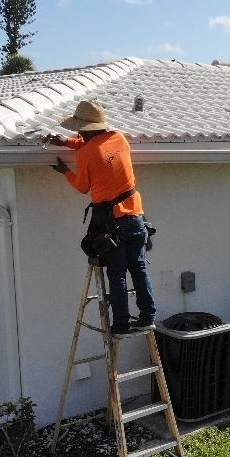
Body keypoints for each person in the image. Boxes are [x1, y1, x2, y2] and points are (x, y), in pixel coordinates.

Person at [46, 100, 156, 334]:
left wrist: (65, 171)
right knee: (138, 269)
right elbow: (96, 146)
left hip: (112, 223)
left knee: (117, 274)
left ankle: (121, 325)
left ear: (83, 129)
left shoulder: (86, 152)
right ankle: (148, 316)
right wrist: (66, 143)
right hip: (136, 215)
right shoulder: (119, 138)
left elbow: (82, 186)